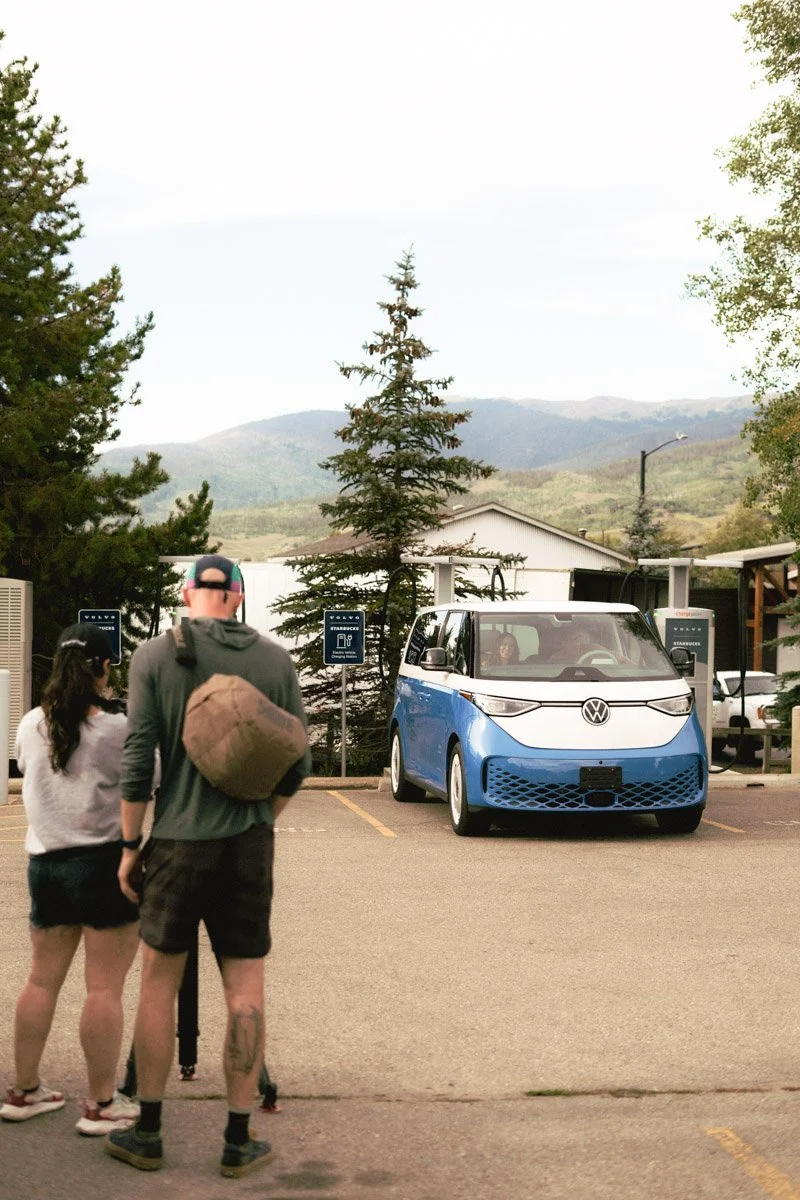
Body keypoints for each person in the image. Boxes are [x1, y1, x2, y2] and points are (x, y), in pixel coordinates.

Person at [105, 554, 312, 1179]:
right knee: (245, 989)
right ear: (239, 597)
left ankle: (147, 1132)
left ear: (187, 592)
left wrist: (129, 845)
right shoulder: (276, 661)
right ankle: (237, 1139)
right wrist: (263, 818)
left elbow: (139, 756)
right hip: (248, 845)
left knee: (158, 985)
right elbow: (299, 763)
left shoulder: (154, 656)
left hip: (174, 842)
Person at [1, 624, 141, 1136]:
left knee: (41, 979)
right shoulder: (116, 728)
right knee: (103, 988)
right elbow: (151, 782)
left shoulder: (31, 723)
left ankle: (25, 1089)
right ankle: (102, 1103)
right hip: (103, 865)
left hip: (46, 866)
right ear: (104, 668)